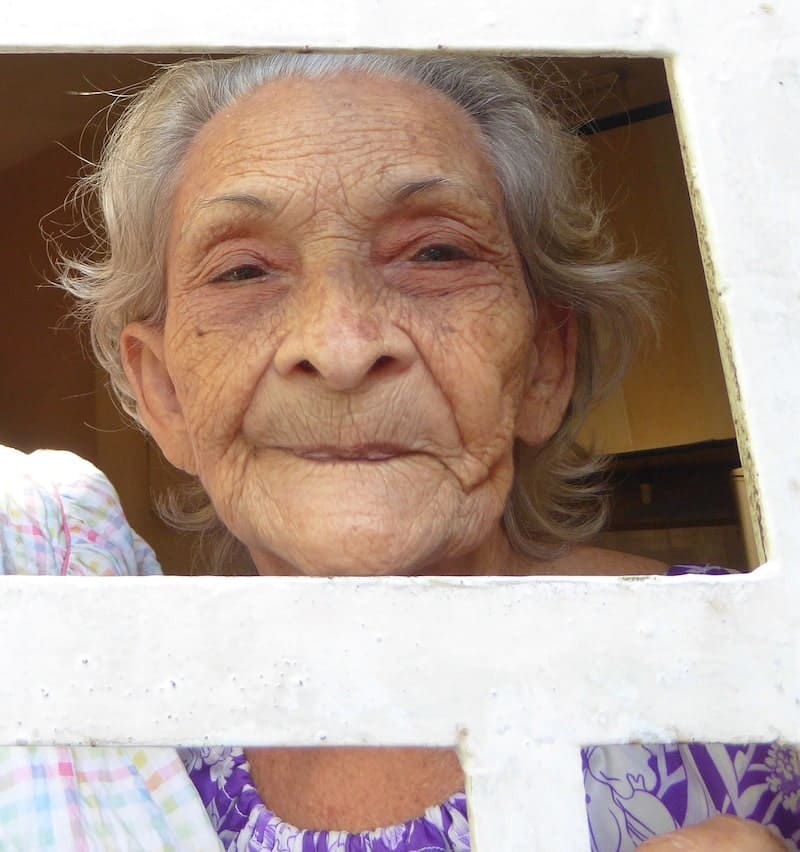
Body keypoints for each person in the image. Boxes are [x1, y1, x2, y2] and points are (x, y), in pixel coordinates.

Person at [1, 53, 795, 850]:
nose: (342, 347)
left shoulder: (755, 666)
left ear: (545, 363)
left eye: (436, 254)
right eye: (244, 270)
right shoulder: (124, 749)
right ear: (167, 394)